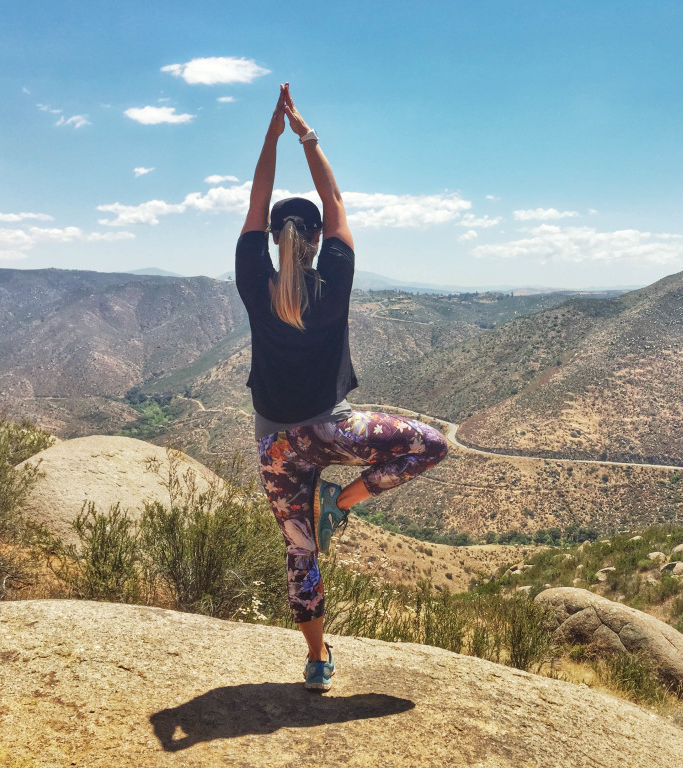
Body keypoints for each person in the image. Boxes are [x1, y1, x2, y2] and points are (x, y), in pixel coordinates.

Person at [235, 83, 449, 692]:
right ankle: (343, 502)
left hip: (276, 444)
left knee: (301, 554)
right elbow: (333, 199)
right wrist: (307, 137)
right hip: (333, 430)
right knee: (427, 444)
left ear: (276, 240)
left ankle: (315, 660)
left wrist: (269, 138)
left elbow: (256, 198)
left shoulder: (255, 282)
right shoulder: (335, 282)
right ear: (315, 239)